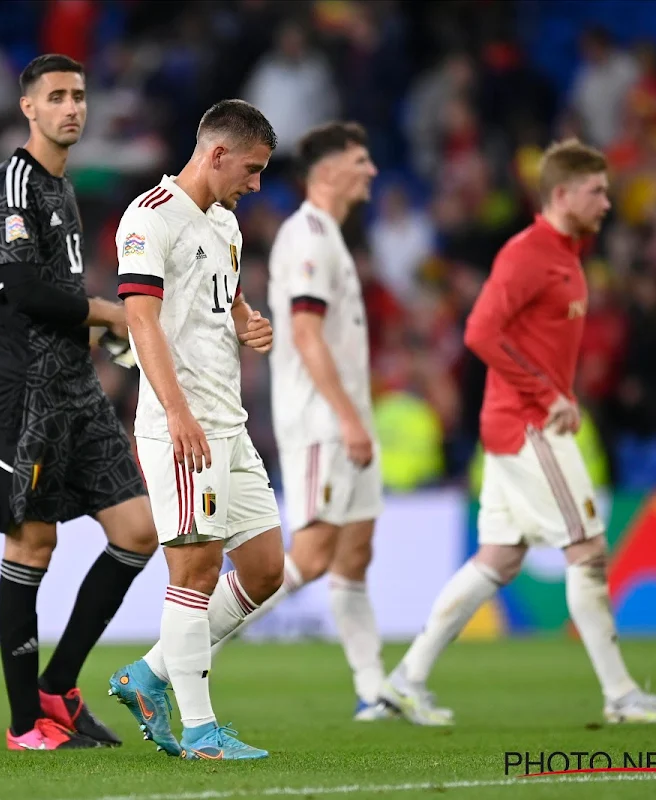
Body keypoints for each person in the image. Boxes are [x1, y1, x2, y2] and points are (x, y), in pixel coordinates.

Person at [380, 139, 656, 726]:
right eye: (596, 190)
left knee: (498, 558)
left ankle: (406, 679)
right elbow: (479, 332)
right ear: (561, 194)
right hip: (529, 424)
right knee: (589, 550)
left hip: (516, 420)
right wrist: (549, 393)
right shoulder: (529, 254)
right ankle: (622, 696)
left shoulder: (570, 255)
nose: (607, 200)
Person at [0, 54, 158, 751]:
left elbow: (62, 294)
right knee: (34, 542)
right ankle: (25, 725)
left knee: (138, 530)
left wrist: (102, 335)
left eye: (79, 96)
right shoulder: (12, 185)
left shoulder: (63, 188)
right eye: (56, 97)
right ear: (29, 108)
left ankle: (59, 687)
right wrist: (109, 315)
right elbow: (21, 289)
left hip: (78, 391)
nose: (72, 108)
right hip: (28, 396)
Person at [107, 100, 283, 761]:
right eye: (253, 169)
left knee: (266, 569)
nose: (257, 184)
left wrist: (245, 321)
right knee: (196, 570)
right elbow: (141, 321)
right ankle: (202, 731)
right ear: (216, 154)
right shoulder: (150, 217)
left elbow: (224, 295)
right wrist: (177, 411)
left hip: (229, 426)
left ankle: (149, 673)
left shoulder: (227, 224)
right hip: (181, 426)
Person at [226, 121, 394, 721]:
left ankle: (376, 691)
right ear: (326, 172)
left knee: (355, 556)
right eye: (360, 159)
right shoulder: (307, 237)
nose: (371, 170)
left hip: (347, 419)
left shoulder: (332, 237)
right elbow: (303, 334)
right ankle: (177, 655)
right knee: (314, 555)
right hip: (323, 422)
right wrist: (349, 419)